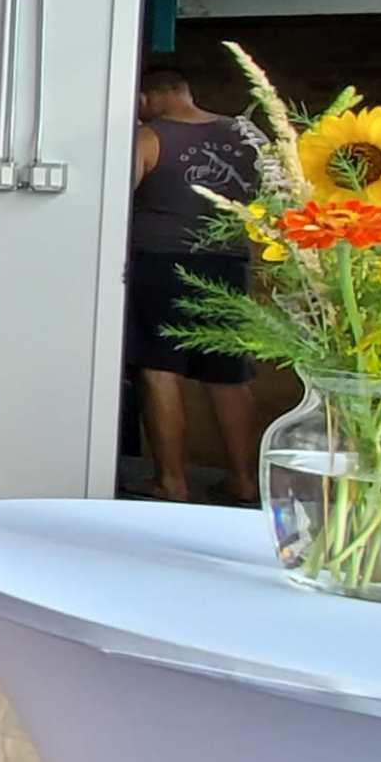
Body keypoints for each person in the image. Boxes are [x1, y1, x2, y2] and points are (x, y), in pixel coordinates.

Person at [126, 63, 265, 504]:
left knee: (160, 371)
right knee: (228, 375)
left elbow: (116, 198)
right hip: (228, 264)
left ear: (145, 98)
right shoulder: (245, 136)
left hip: (160, 264)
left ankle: (172, 482)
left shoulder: (150, 137)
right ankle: (244, 481)